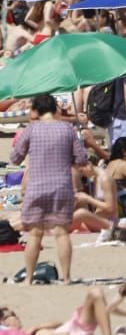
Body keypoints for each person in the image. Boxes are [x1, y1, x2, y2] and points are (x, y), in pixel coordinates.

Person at [10, 92, 88, 284]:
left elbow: (15, 158)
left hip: (36, 187)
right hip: (62, 186)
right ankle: (67, 277)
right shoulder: (67, 129)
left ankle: (28, 278)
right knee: (61, 233)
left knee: (35, 234)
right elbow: (82, 159)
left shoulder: (31, 129)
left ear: (36, 110)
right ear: (55, 109)